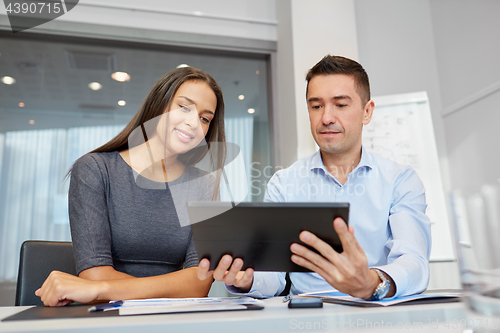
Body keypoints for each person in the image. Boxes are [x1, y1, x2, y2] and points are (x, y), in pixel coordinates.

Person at [198, 55, 431, 300]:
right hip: (306, 318)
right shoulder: (283, 184)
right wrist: (247, 280)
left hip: (376, 312)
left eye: (340, 105)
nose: (326, 117)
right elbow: (275, 277)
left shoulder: (400, 180)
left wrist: (373, 283)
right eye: (316, 106)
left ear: (367, 111)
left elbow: (413, 261)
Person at [36, 66, 226, 307]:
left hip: (173, 321)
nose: (193, 123)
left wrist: (103, 288)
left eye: (205, 118)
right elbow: (93, 275)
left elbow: (199, 284)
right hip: (109, 319)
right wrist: (176, 287)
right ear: (160, 103)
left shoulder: (204, 185)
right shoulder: (95, 170)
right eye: (184, 107)